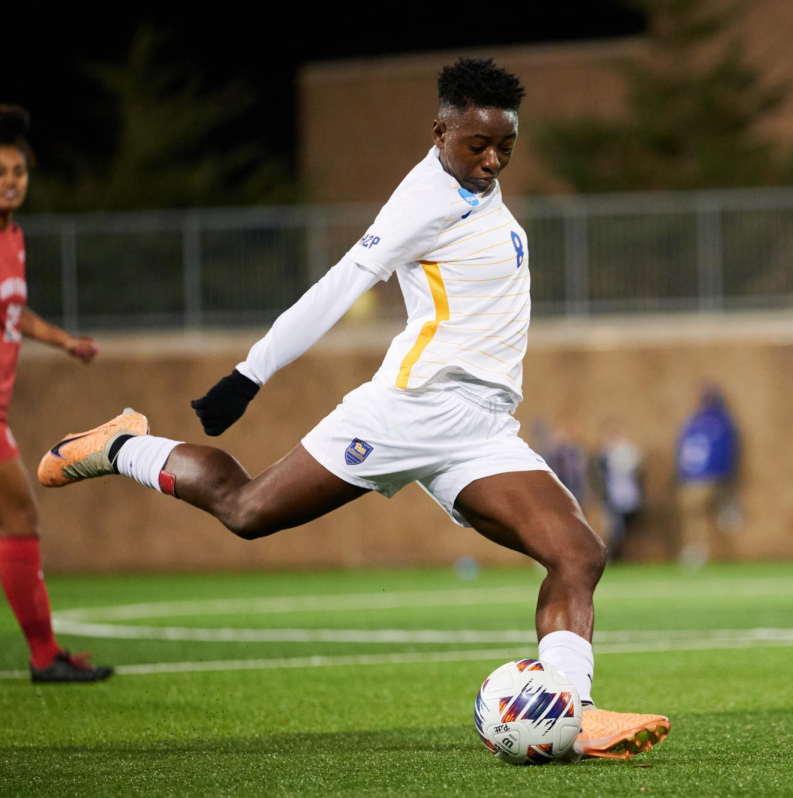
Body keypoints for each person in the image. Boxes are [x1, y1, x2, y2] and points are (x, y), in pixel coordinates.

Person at [36, 59, 667, 758]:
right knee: (246, 512)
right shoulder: (422, 199)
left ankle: (573, 717)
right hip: (407, 412)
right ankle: (123, 445)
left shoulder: (479, 189)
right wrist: (251, 373)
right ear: (440, 131)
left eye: (504, 148)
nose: (490, 161)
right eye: (476, 146)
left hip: (482, 429)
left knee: (578, 553)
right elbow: (342, 283)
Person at [0, 106, 110, 682]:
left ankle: (46, 655)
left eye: (18, 170)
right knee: (19, 517)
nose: (11, 179)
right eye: (0, 170)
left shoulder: (12, 238)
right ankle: (44, 657)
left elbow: (14, 312)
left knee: (19, 518)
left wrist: (65, 341)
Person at [675, 384, 740, 567]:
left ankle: (698, 551)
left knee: (698, 515)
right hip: (701, 478)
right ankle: (700, 551)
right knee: (698, 515)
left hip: (702, 478)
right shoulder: (721, 421)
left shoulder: (700, 422)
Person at [595, 418, 644, 562]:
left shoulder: (631, 450)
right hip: (611, 497)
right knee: (614, 529)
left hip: (629, 496)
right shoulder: (604, 452)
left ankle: (622, 557)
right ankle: (611, 557)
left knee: (626, 529)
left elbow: (638, 471)